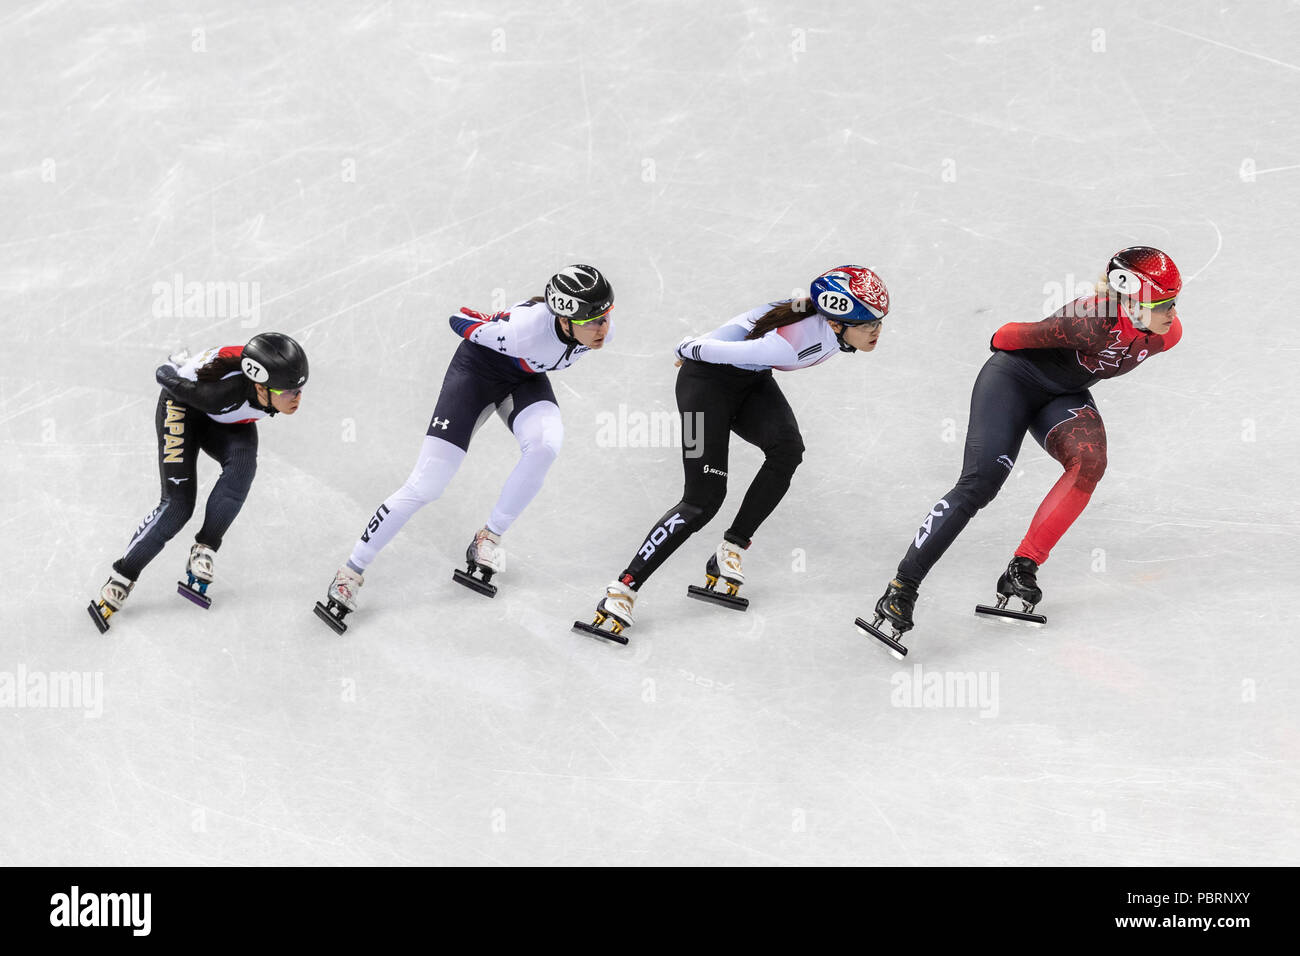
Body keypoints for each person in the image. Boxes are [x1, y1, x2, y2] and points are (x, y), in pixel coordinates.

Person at [862, 246, 1183, 655]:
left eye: (1174, 301)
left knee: (1089, 463)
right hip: (1012, 380)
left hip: (1061, 394)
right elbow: (1004, 336)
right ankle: (901, 588)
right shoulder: (1089, 323)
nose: (1172, 312)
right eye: (1163, 303)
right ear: (1134, 303)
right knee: (981, 484)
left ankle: (1021, 569)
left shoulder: (1166, 334)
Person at [576, 265, 890, 642]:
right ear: (837, 324)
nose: (876, 331)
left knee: (787, 450)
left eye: (879, 321)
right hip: (700, 386)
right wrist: (685, 348)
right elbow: (713, 348)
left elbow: (748, 323)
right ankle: (623, 588)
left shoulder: (811, 314)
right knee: (701, 501)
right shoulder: (792, 342)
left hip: (749, 380)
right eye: (867, 323)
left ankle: (731, 549)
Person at [315, 265, 614, 633]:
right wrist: (488, 320)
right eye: (593, 321)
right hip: (476, 373)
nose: (603, 328)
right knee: (428, 484)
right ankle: (350, 571)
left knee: (545, 445)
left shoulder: (596, 330)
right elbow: (460, 319)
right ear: (565, 320)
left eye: (605, 316)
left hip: (523, 376)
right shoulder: (523, 332)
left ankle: (488, 537)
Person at [88, 333, 308, 631]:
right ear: (260, 386)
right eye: (288, 391)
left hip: (225, 420)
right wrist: (172, 368)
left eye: (299, 389)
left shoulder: (264, 385)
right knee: (179, 505)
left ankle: (204, 549)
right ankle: (123, 575)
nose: (297, 398)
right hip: (185, 404)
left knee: (242, 469)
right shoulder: (222, 393)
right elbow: (165, 379)